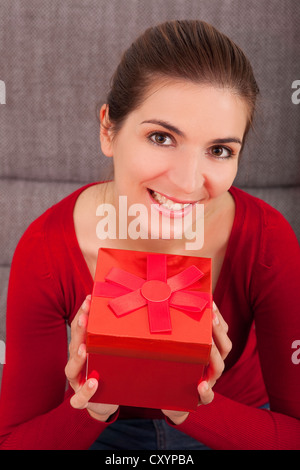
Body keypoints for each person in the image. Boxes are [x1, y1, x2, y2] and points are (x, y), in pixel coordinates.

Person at [0, 19, 299, 450]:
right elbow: (13, 442)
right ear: (109, 130)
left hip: (237, 422)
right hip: (98, 426)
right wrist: (90, 408)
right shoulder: (47, 249)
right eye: (161, 137)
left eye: (219, 150)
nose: (188, 180)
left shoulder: (267, 241)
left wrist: (194, 405)